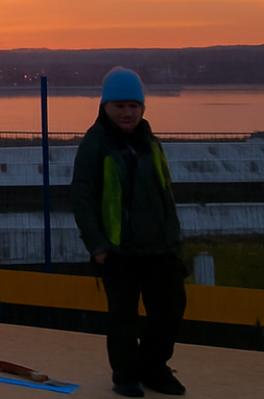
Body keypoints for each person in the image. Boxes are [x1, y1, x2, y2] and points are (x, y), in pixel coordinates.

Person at [71, 67, 188, 397]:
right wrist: (96, 244)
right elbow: (81, 196)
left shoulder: (151, 144)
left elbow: (166, 194)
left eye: (133, 106)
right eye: (119, 105)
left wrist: (173, 239)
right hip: (117, 249)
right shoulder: (95, 144)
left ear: (143, 108)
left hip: (159, 248)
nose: (127, 112)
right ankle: (124, 373)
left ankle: (153, 367)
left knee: (169, 309)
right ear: (105, 106)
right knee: (123, 316)